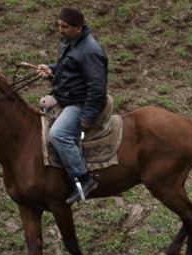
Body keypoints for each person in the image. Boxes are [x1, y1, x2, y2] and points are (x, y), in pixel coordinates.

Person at [34, 7, 108, 205]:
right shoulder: (69, 42)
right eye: (59, 26)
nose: (60, 30)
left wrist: (87, 117)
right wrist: (51, 68)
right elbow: (69, 67)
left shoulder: (90, 51)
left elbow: (97, 88)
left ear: (79, 28)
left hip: (80, 103)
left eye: (65, 27)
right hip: (67, 97)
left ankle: (84, 179)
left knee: (58, 134)